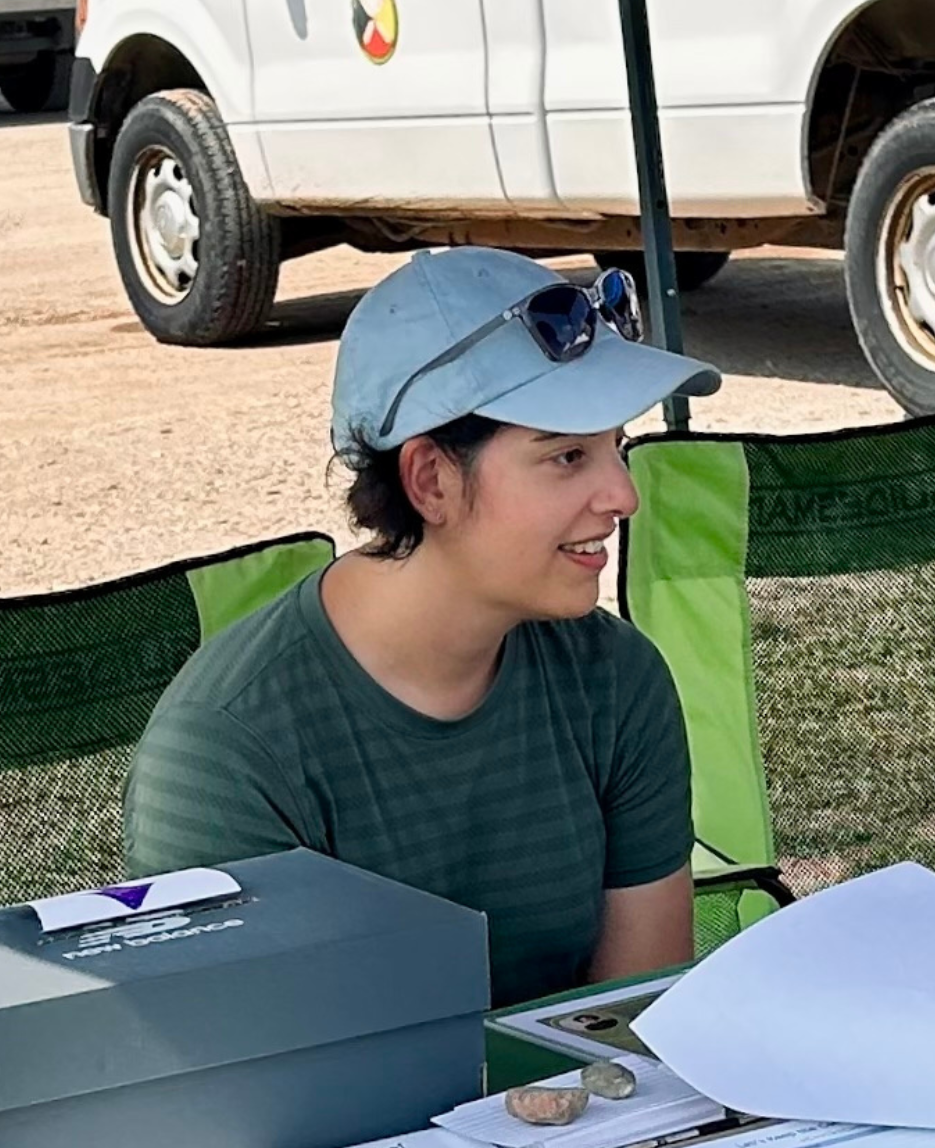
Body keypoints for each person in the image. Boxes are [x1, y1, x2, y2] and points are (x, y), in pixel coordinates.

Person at [125, 248, 717, 1006]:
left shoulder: (616, 680)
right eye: (568, 456)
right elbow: (248, 1082)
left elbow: (635, 1025)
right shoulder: (230, 748)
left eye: (617, 449)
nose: (623, 495)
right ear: (431, 480)